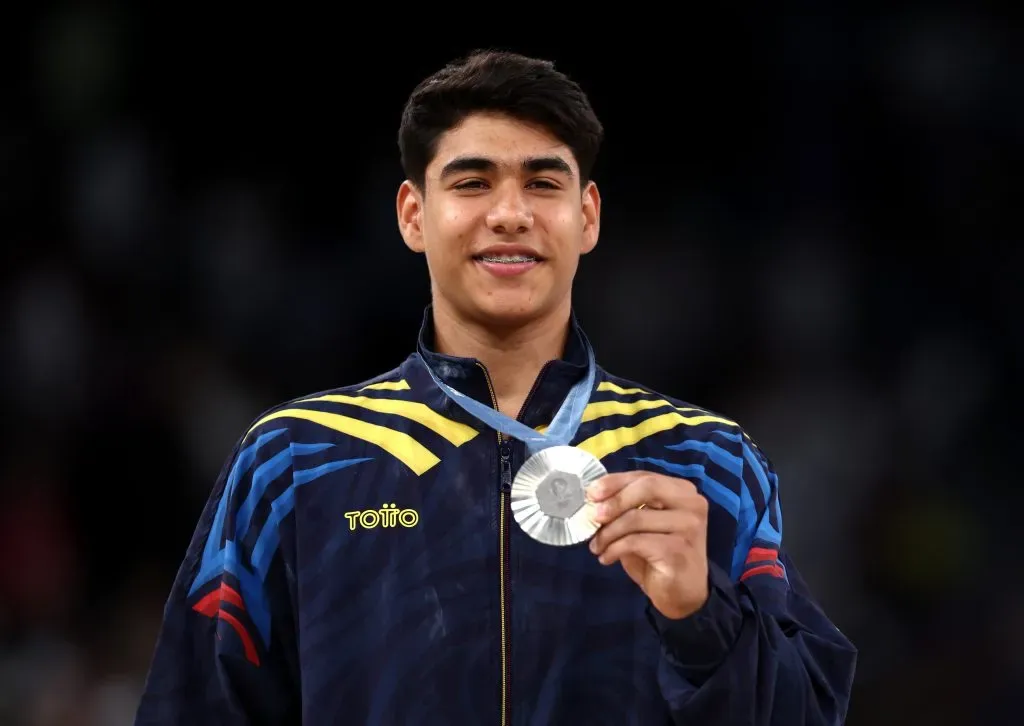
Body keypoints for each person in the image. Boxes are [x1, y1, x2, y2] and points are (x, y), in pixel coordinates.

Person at [134, 50, 857, 725]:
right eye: (473, 182)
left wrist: (702, 616)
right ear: (413, 215)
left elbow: (809, 710)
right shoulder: (294, 463)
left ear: (587, 216)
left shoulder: (704, 463)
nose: (510, 213)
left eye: (543, 183)